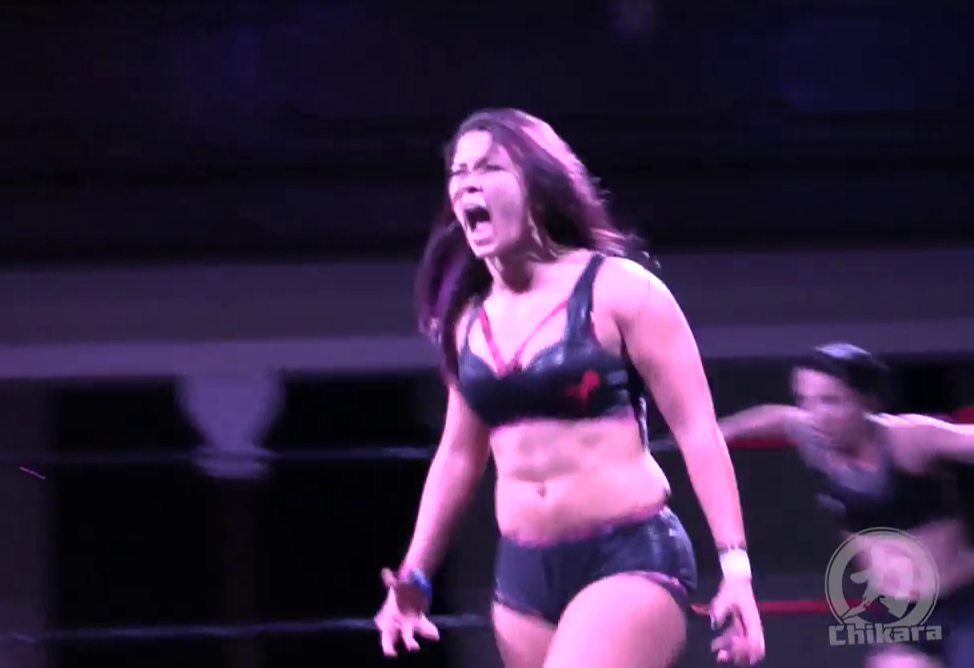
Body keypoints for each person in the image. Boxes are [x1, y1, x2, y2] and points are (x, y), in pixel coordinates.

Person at [373, 108, 765, 668]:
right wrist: (415, 574)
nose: (469, 184)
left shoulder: (619, 290)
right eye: (459, 173)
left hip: (627, 556)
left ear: (537, 184)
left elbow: (697, 430)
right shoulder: (467, 322)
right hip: (523, 579)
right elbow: (458, 455)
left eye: (489, 167)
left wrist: (736, 570)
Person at [712, 343, 974, 667]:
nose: (816, 416)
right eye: (805, 401)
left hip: (962, 604)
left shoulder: (910, 438)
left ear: (867, 402)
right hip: (898, 613)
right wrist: (710, 435)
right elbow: (775, 417)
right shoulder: (812, 437)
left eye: (831, 401)